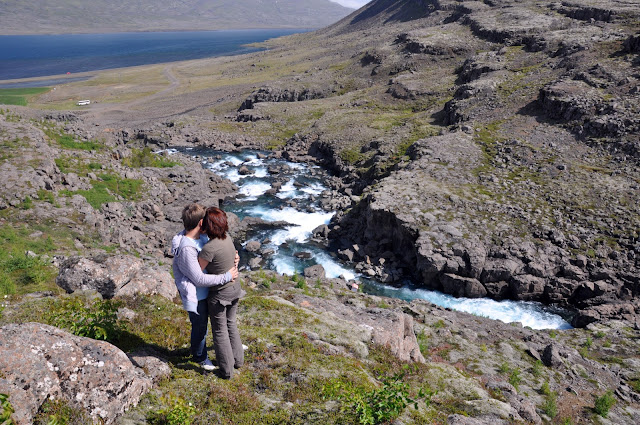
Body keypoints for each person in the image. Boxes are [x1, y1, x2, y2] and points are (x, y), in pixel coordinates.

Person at [172, 203, 238, 371]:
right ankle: (200, 357)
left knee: (217, 325)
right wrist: (227, 276)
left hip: (210, 290)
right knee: (201, 327)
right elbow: (198, 279)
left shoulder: (201, 237)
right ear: (201, 223)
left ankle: (230, 350)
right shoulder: (187, 248)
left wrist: (234, 257)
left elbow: (215, 252)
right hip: (197, 294)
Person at [198, 206, 245, 379]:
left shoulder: (209, 248)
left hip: (220, 294)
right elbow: (232, 259)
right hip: (235, 288)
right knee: (231, 323)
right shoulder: (228, 238)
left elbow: (197, 272)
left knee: (219, 330)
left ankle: (226, 371)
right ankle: (238, 361)